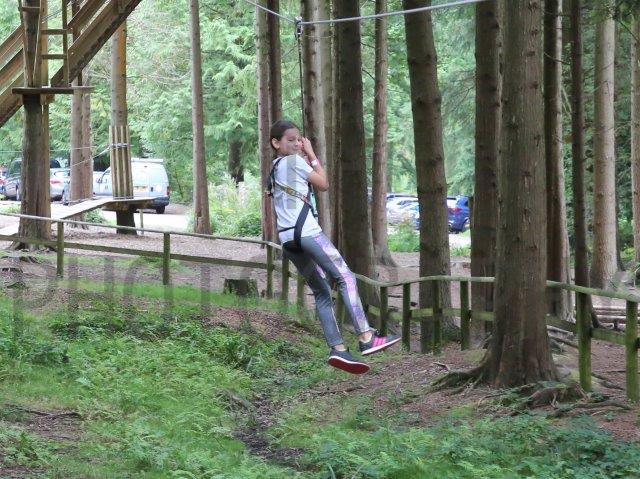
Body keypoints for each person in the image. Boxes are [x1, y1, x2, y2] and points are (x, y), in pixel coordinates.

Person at [267, 119, 400, 374]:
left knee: (321, 291)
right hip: (308, 233)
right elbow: (323, 184)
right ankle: (366, 336)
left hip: (288, 239)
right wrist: (312, 155)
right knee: (345, 277)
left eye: (299, 140)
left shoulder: (273, 169)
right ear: (276, 142)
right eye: (291, 140)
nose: (297, 144)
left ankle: (338, 348)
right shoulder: (295, 161)